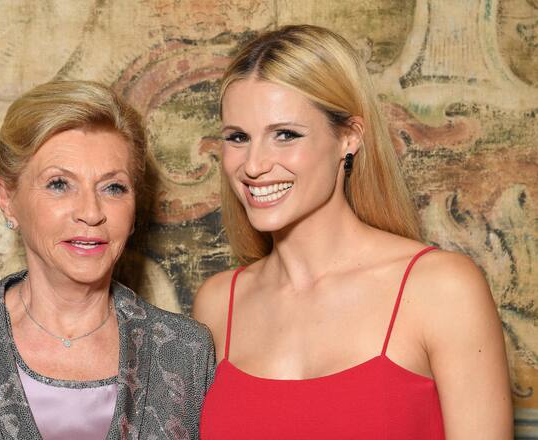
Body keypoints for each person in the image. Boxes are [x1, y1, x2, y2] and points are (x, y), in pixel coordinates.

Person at [194, 25, 513, 439]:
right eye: (238, 137)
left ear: (349, 137)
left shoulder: (442, 289)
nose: (253, 165)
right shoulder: (218, 304)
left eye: (285, 135)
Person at [0, 80, 215, 439]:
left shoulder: (186, 352)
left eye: (113, 187)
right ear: (8, 199)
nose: (91, 212)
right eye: (59, 184)